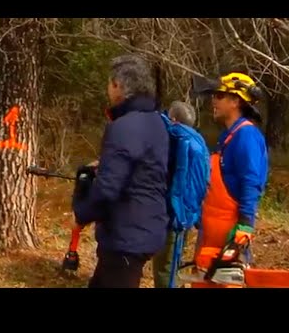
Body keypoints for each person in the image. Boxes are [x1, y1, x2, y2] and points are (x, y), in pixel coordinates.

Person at [72, 54, 170, 288]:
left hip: (127, 235)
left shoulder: (124, 127)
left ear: (118, 86)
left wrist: (81, 214)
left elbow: (107, 188)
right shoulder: (156, 121)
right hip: (145, 226)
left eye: (109, 83)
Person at [193, 72, 269, 287]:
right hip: (213, 229)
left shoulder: (246, 136)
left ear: (235, 101)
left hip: (230, 231)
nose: (213, 101)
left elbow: (251, 181)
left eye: (219, 96)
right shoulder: (228, 136)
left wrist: (245, 224)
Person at [151, 101, 198, 288]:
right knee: (172, 263)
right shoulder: (196, 143)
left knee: (165, 266)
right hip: (186, 213)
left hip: (172, 212)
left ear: (174, 119)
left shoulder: (175, 142)